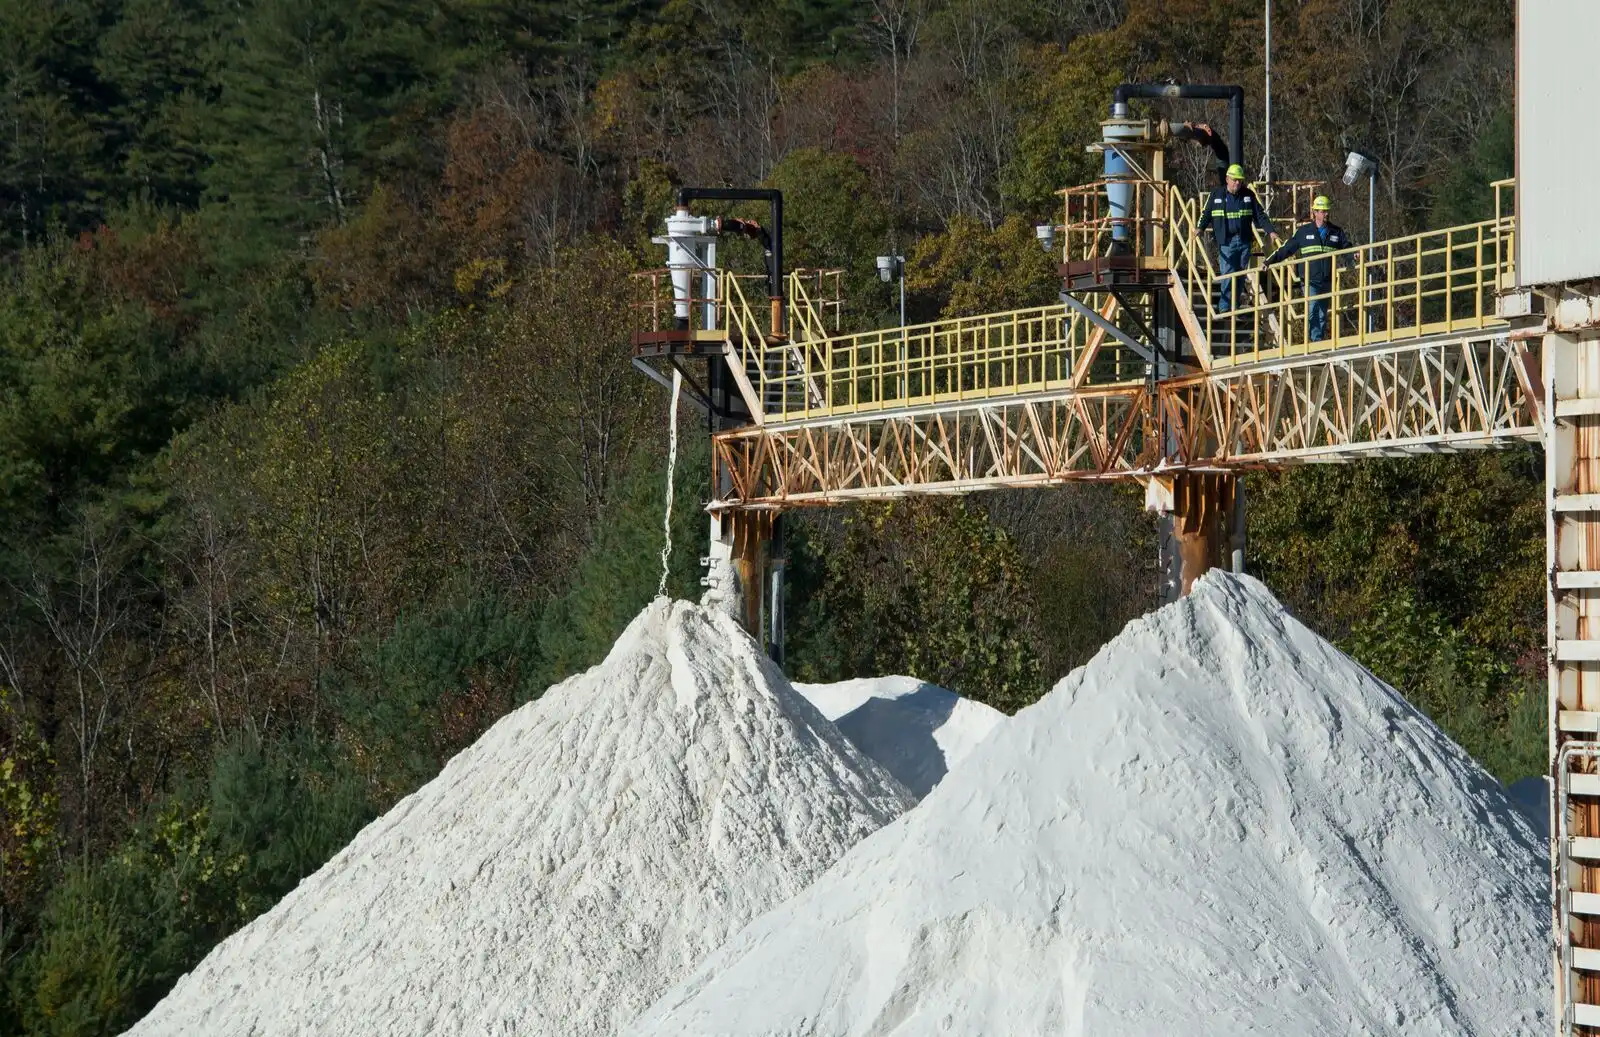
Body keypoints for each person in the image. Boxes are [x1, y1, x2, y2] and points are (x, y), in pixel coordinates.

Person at [1265, 195, 1353, 342]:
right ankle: (1315, 340)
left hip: (1327, 278)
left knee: (1322, 313)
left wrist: (1353, 257)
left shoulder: (1336, 232)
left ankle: (1318, 340)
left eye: (1327, 211)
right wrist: (1269, 261)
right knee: (1313, 308)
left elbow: (1346, 248)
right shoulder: (1304, 232)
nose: (1325, 214)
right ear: (1315, 213)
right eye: (1322, 211)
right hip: (1309, 279)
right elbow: (1287, 248)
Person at [1196, 163, 1278, 313]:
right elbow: (1206, 213)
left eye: (1240, 180)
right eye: (1235, 180)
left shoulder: (1248, 195)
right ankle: (1224, 307)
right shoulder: (1216, 195)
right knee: (1228, 274)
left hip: (1244, 241)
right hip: (1226, 242)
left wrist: (1271, 231)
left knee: (1240, 275)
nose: (1237, 183)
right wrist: (1199, 228)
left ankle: (1235, 306)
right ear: (1227, 179)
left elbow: (1260, 215)